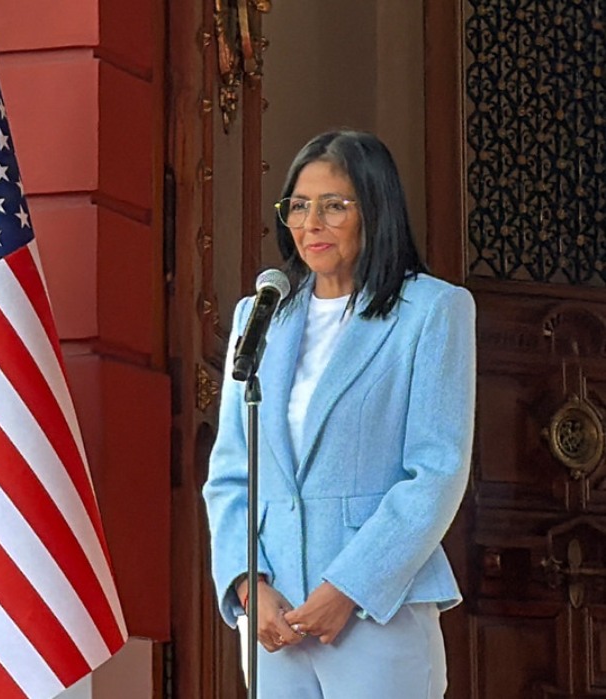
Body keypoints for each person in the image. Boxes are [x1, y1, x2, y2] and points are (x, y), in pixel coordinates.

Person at [202, 130, 475, 698]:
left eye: (333, 206)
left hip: (376, 609)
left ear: (375, 208)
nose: (311, 224)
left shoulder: (432, 310)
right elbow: (230, 473)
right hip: (276, 618)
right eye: (298, 206)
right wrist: (249, 583)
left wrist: (348, 587)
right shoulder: (261, 315)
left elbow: (436, 472)